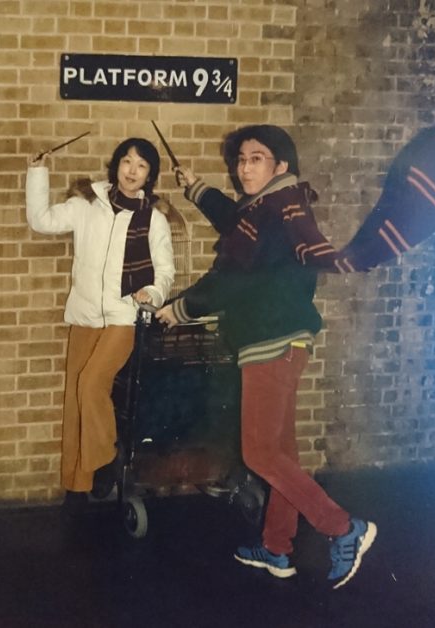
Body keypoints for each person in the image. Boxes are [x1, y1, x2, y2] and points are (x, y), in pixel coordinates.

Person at [155, 124, 376, 589]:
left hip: (270, 341)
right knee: (282, 453)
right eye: (240, 159)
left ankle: (343, 528)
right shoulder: (271, 209)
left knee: (259, 452)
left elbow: (232, 277)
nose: (244, 167)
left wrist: (180, 308)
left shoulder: (273, 214)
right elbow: (234, 219)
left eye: (256, 158)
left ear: (281, 166)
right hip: (283, 340)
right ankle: (277, 547)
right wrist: (196, 189)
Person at [26, 137, 175, 513]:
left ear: (150, 175)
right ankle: (77, 485)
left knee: (91, 384)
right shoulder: (87, 205)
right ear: (116, 165)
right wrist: (38, 172)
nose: (132, 170)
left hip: (124, 316)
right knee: (76, 399)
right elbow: (41, 221)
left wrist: (153, 292)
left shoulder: (153, 219)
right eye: (127, 161)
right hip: (85, 314)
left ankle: (107, 457)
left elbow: (165, 271)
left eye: (141, 165)